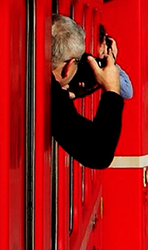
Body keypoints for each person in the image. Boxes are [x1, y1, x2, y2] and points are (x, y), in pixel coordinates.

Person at [49, 14, 126, 168]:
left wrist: (71, 94)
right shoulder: (50, 95)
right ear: (69, 65)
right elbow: (98, 153)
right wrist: (111, 90)